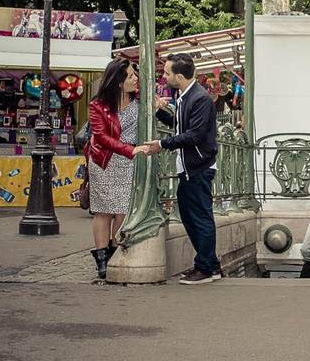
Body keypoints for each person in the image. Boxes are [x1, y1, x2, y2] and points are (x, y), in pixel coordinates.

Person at [141, 53, 221, 284]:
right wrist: (159, 111)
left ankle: (205, 268)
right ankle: (209, 264)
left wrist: (161, 144)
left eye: (166, 73)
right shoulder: (185, 96)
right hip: (190, 167)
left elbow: (194, 135)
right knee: (189, 214)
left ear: (178, 75)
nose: (164, 77)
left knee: (200, 217)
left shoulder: (200, 99)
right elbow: (180, 127)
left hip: (199, 166)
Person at [86, 56, 139, 279]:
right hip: (105, 161)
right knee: (104, 211)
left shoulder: (141, 102)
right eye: (131, 76)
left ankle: (116, 252)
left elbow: (165, 120)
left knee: (124, 211)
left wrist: (160, 106)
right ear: (118, 81)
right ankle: (102, 259)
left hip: (129, 163)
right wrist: (130, 150)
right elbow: (102, 137)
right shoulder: (98, 106)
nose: (136, 79)